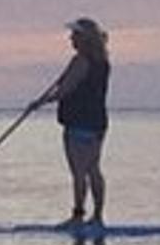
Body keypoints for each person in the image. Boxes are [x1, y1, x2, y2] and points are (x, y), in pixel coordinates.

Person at [35, 17, 110, 226]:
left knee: (79, 172)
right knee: (93, 168)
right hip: (98, 123)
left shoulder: (81, 61)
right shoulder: (102, 62)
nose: (71, 38)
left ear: (83, 38)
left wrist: (41, 102)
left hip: (79, 122)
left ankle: (78, 216)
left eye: (75, 35)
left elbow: (65, 89)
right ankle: (97, 216)